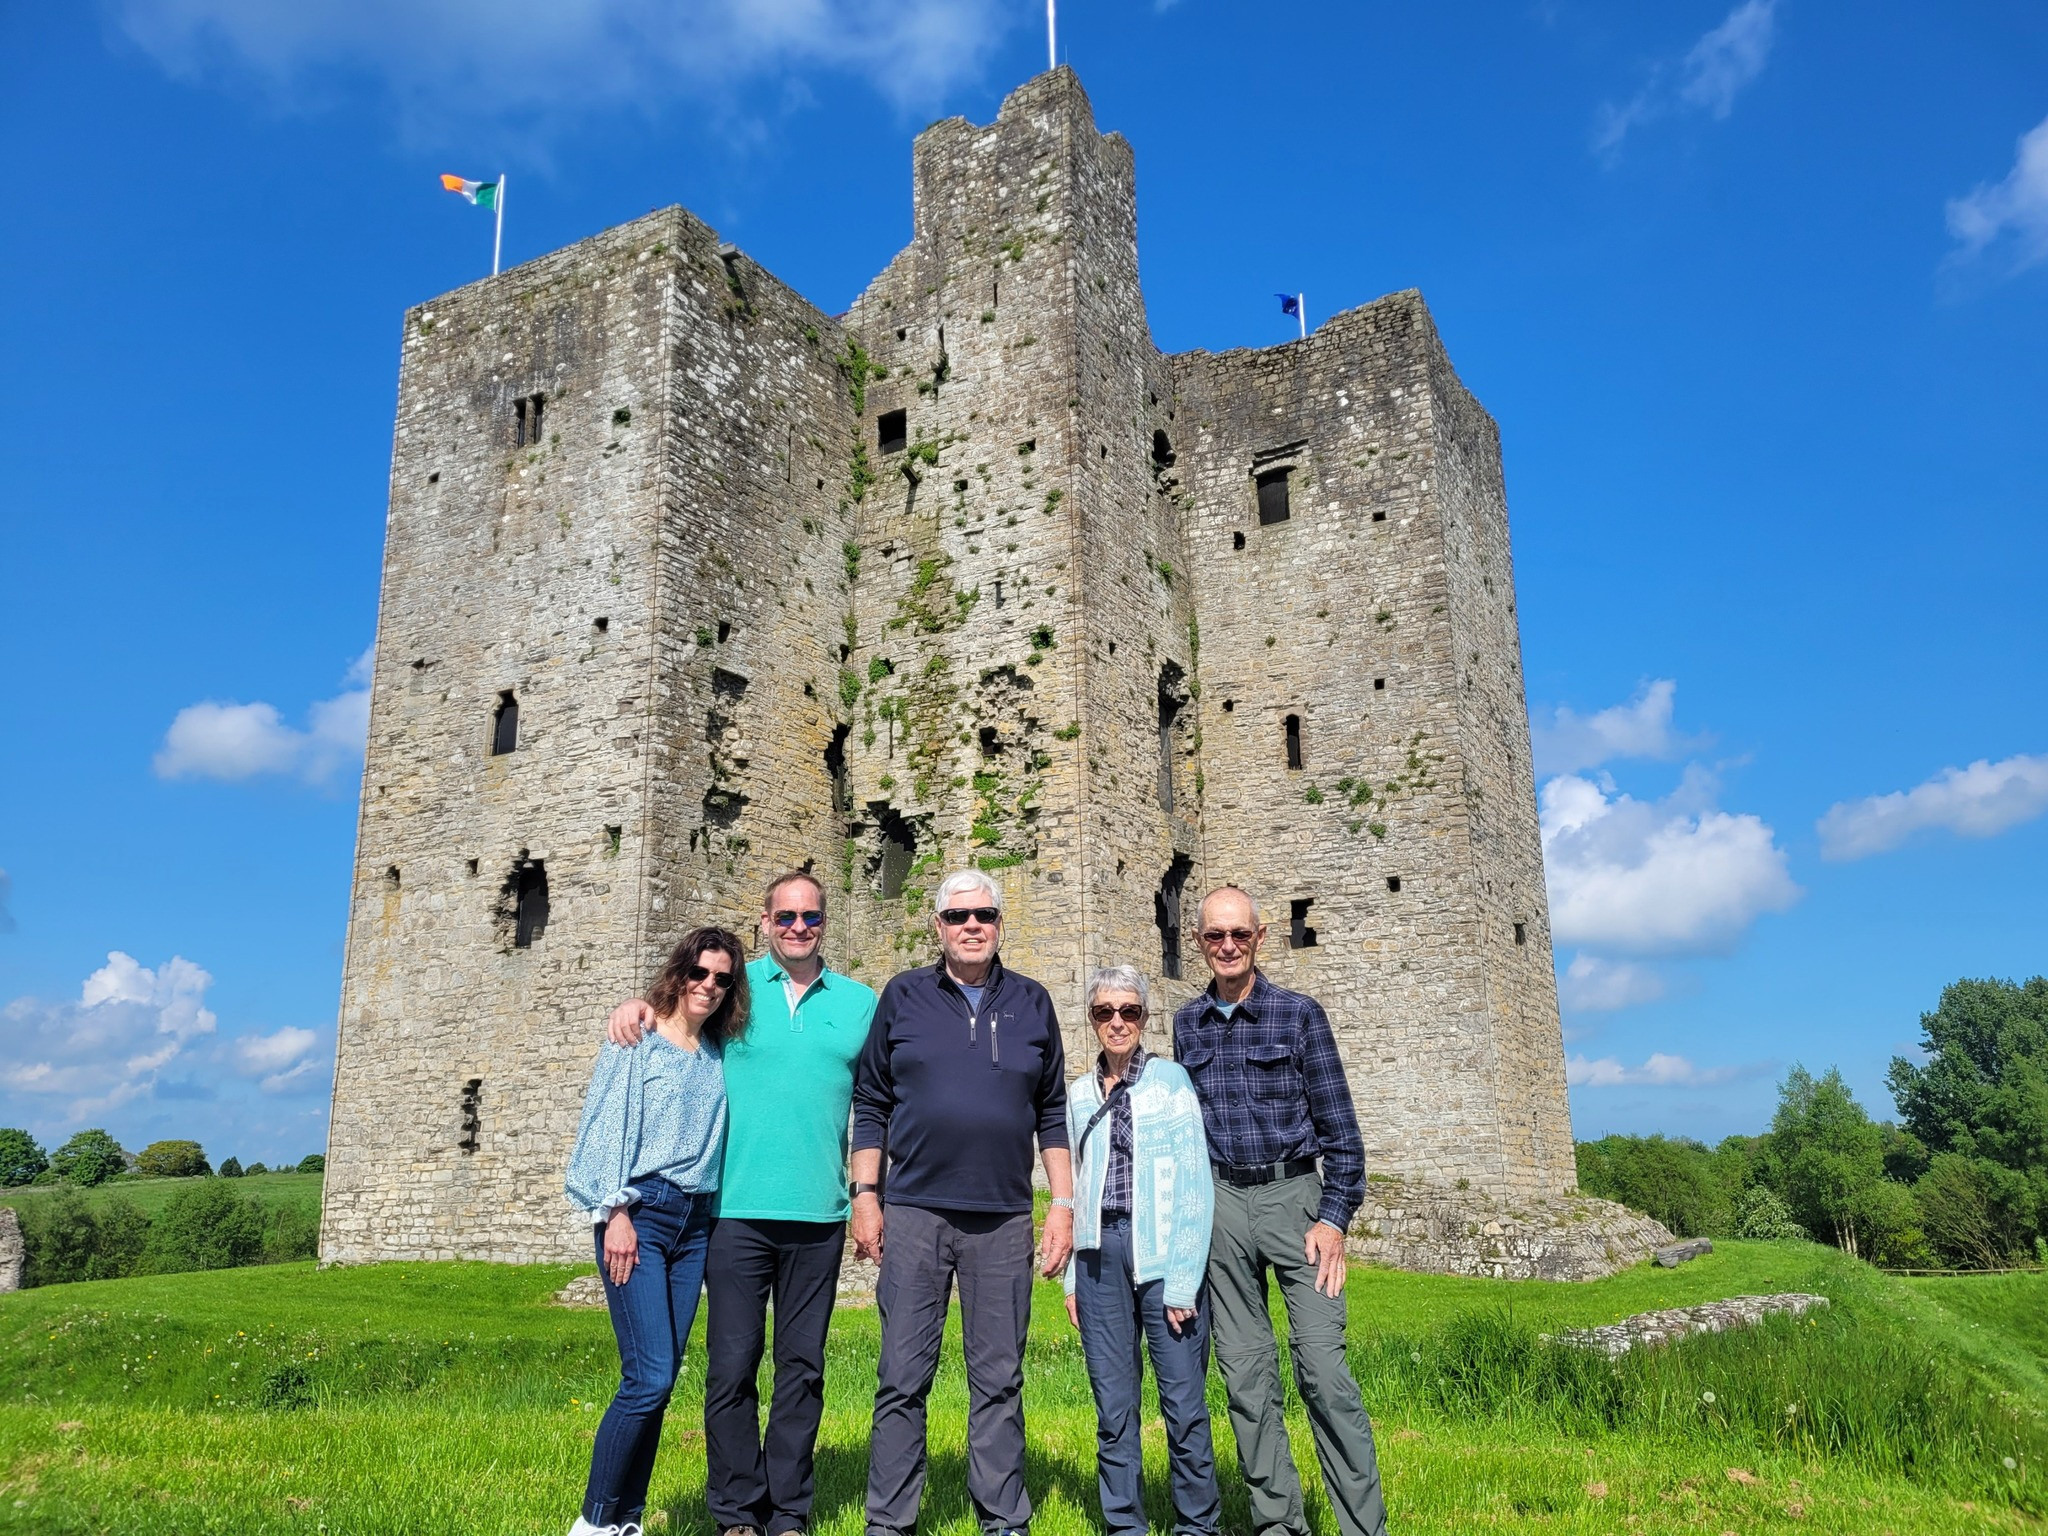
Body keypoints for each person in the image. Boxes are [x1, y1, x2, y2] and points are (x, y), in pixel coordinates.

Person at [603, 870, 878, 1536]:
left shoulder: (860, 1003)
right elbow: (679, 1017)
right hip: (733, 1214)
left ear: (825, 921)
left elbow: (878, 1101)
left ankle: (788, 1512)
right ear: (765, 922)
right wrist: (637, 1006)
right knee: (730, 1370)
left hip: (819, 1215)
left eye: (810, 917)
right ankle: (736, 1513)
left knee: (802, 1371)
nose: (798, 928)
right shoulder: (735, 989)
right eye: (785, 917)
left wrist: (868, 1194)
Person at [850, 870, 1074, 1536]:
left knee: (999, 1379)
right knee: (901, 1376)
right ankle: (890, 1523)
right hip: (915, 1212)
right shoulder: (903, 996)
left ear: (1000, 924)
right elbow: (871, 1101)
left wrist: (1062, 1203)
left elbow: (1052, 1111)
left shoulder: (1033, 1002)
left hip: (1002, 1219)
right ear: (938, 926)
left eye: (983, 915)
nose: (971, 926)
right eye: (957, 916)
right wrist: (866, 1196)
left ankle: (1003, 1520)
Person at [1172, 886, 1389, 1536]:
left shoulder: (1299, 1016)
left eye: (1239, 933)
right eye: (1215, 936)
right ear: (1199, 942)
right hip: (1222, 1206)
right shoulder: (1187, 1024)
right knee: (1246, 1380)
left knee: (1323, 1373)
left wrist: (1335, 1219)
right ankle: (1278, 1525)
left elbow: (1342, 1133)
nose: (1228, 946)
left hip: (1297, 1203)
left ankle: (1363, 1528)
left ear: (1260, 937)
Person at [564, 925, 750, 1536]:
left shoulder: (719, 1052)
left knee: (662, 1381)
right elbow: (603, 1128)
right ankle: (594, 1522)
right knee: (646, 1376)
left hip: (694, 1225)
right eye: (699, 972)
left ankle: (628, 1520)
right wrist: (613, 1213)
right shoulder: (636, 1039)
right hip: (640, 1213)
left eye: (722, 979)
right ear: (679, 972)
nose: (709, 986)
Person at [1062, 964, 1220, 1536]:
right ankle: (1124, 1524)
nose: (1117, 1022)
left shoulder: (1170, 1081)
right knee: (1113, 1406)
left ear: (1145, 1018)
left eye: (1129, 1011)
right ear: (1092, 1019)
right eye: (1105, 1012)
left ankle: (1197, 1525)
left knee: (1184, 1406)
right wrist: (1072, 1278)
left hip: (1163, 1256)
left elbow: (1195, 1183)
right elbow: (1075, 1184)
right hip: (1098, 1256)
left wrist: (1183, 1279)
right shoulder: (1078, 1094)